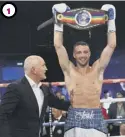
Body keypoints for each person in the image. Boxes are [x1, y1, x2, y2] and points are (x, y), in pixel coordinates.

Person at [52, 3, 116, 137]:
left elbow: (111, 45)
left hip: (96, 116)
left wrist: (111, 21)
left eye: (85, 52)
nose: (82, 55)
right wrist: (58, 21)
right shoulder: (69, 70)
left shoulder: (98, 69)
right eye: (79, 52)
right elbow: (58, 46)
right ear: (74, 55)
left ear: (90, 53)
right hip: (75, 118)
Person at [0, 55, 70, 137]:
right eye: (43, 65)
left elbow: (59, 104)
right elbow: (2, 115)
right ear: (34, 70)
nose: (46, 69)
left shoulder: (44, 89)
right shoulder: (15, 88)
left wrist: (81, 103)